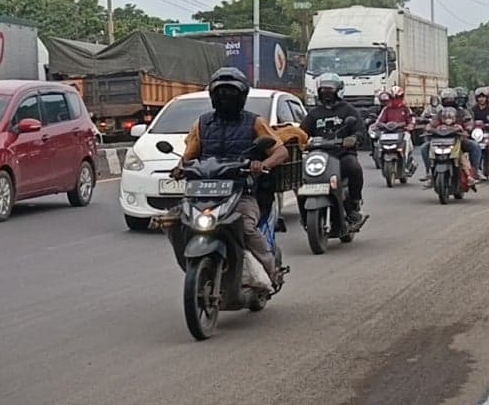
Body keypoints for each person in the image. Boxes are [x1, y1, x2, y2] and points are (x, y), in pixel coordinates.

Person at [176, 67, 290, 283]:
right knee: (175, 222)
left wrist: (262, 164)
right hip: (204, 193)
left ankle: (272, 268)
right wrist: (179, 168)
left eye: (230, 93)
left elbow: (280, 151)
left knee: (245, 227)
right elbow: (188, 156)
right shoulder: (202, 124)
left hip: (243, 192)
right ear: (212, 96)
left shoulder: (255, 123)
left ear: (242, 96)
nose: (225, 97)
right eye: (220, 93)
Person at [300, 73, 365, 228]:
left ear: (339, 90)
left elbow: (360, 130)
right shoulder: (314, 113)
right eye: (323, 88)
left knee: (353, 167)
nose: (326, 92)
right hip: (319, 156)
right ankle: (305, 216)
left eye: (330, 88)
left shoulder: (348, 110)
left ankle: (354, 204)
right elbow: (302, 133)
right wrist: (296, 140)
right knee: (301, 178)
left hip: (342, 155)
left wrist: (354, 138)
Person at [420, 88, 482, 182]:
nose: (449, 102)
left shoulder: (462, 112)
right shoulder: (439, 113)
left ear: (456, 100)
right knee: (424, 147)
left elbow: (469, 122)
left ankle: (474, 172)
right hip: (439, 140)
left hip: (459, 139)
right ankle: (429, 172)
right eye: (446, 100)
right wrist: (429, 128)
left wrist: (467, 128)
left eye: (451, 100)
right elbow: (432, 123)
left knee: (475, 146)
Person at [376, 84, 416, 174]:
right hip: (388, 132)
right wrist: (379, 125)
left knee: (406, 142)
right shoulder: (386, 109)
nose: (395, 100)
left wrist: (410, 125)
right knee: (379, 144)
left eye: (397, 97)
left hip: (402, 131)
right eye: (393, 98)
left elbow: (411, 119)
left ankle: (406, 164)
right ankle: (380, 161)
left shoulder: (406, 108)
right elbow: (379, 120)